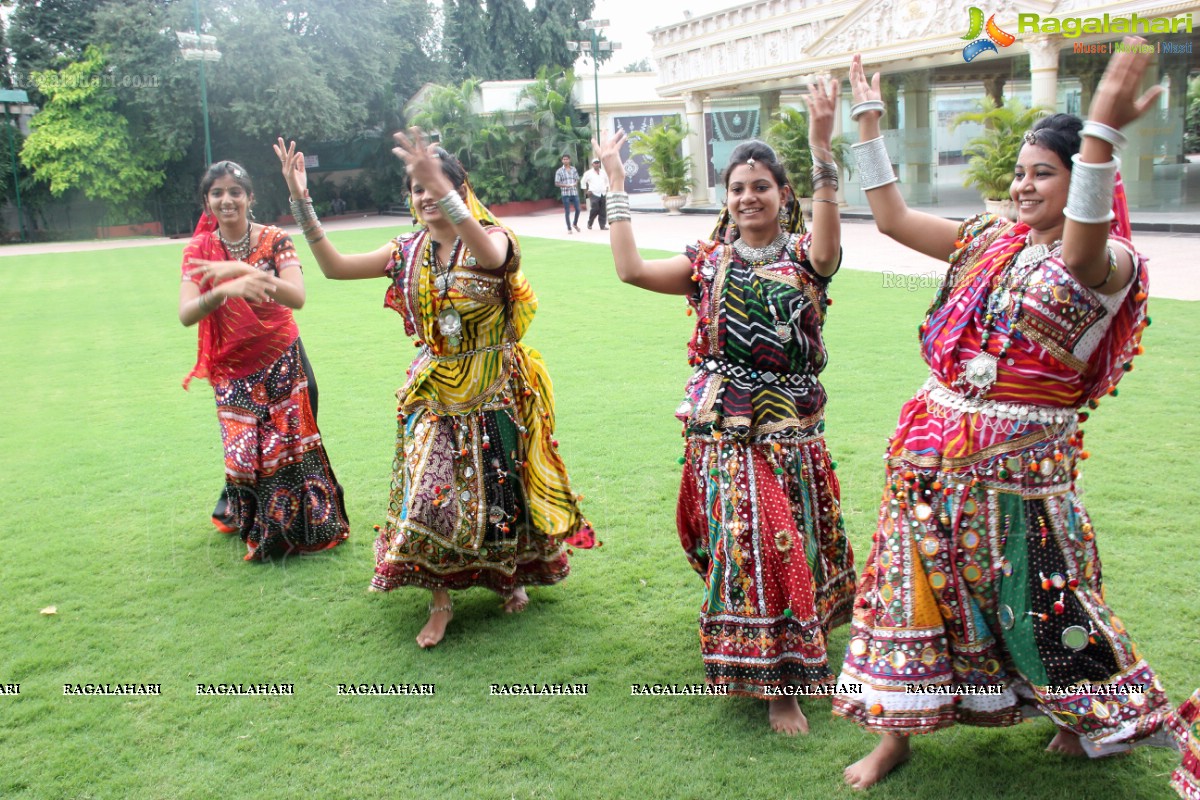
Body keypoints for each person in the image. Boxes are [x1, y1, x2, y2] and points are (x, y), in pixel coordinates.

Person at [833, 45, 1200, 794]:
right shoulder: (990, 243)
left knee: (1044, 601)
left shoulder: (1107, 263)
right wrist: (866, 126)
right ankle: (893, 734)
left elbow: (1084, 238)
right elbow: (894, 218)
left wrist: (1099, 135)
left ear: (1081, 180)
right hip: (927, 460)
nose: (1022, 183)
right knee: (909, 592)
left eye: (1044, 171)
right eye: (1021, 170)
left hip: (1023, 475)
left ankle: (1082, 715)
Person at [595, 77, 854, 735]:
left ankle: (788, 647)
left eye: (760, 186)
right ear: (726, 198)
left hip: (791, 428)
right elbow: (628, 271)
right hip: (721, 427)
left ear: (782, 194)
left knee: (788, 539)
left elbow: (829, 245)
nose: (747, 197)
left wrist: (823, 148)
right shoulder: (707, 264)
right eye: (737, 188)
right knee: (756, 536)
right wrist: (616, 181)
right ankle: (779, 687)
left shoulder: (804, 261)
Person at [273, 132, 595, 648]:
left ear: (459, 189)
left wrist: (441, 186)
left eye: (433, 186)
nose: (423, 196)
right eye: (415, 188)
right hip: (433, 389)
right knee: (429, 492)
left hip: (495, 388)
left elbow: (493, 260)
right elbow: (334, 268)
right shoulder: (406, 251)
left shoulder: (496, 238)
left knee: (499, 492)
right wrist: (302, 202)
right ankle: (439, 601)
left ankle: (507, 577)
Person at [179, 160, 349, 562]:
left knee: (289, 449)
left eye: (235, 192)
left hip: (283, 357)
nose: (227, 200)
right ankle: (243, 512)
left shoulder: (274, 240)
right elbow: (187, 314)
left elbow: (297, 297)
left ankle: (299, 526)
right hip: (233, 365)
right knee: (244, 456)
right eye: (217, 193)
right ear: (206, 201)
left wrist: (244, 270)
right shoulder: (199, 250)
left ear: (250, 198)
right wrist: (226, 290)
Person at [580, 158, 609, 230]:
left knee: (603, 210)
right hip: (593, 193)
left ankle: (602, 225)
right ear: (592, 164)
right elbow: (583, 182)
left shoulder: (603, 172)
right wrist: (586, 191)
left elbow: (607, 181)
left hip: (603, 193)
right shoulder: (588, 173)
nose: (597, 164)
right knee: (595, 208)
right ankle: (590, 222)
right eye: (595, 163)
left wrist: (607, 188)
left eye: (598, 163)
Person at [555, 154, 581, 233]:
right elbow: (557, 183)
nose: (565, 160)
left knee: (578, 209)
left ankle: (575, 224)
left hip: (574, 192)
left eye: (567, 159)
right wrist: (566, 185)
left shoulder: (573, 169)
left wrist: (575, 183)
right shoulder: (559, 171)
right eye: (564, 159)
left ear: (569, 160)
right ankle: (569, 228)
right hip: (565, 193)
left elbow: (577, 179)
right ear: (562, 161)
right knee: (567, 211)